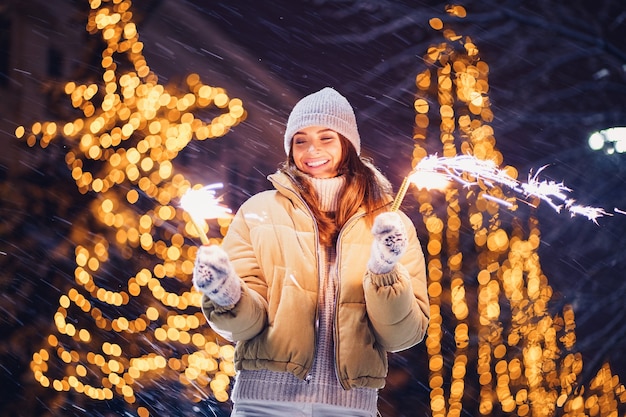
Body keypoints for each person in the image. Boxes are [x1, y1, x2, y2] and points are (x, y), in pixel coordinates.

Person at [192, 87, 429, 417]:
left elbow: (403, 335)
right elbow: (242, 328)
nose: (311, 149)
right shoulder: (257, 212)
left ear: (348, 145)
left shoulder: (390, 224)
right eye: (300, 140)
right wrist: (225, 292)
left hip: (349, 408)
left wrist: (384, 269)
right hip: (263, 405)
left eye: (326, 137)